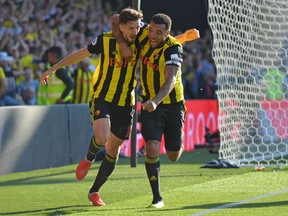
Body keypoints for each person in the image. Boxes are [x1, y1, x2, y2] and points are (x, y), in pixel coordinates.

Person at [39, 8, 144, 207]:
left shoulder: (142, 40)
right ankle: (89, 158)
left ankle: (94, 191)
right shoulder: (105, 40)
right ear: (120, 28)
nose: (135, 32)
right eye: (131, 28)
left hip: (126, 102)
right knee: (103, 137)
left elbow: (162, 38)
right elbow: (81, 54)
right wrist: (54, 68)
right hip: (102, 97)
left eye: (137, 28)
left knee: (113, 150)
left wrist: (182, 38)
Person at [114, 13, 200, 208]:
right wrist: (122, 43)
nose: (151, 35)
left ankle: (179, 137)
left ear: (167, 34)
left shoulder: (174, 48)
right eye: (151, 30)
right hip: (149, 103)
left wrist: (156, 100)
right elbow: (116, 17)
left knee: (173, 156)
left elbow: (170, 81)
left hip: (171, 104)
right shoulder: (144, 32)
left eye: (158, 33)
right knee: (152, 147)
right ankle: (157, 198)